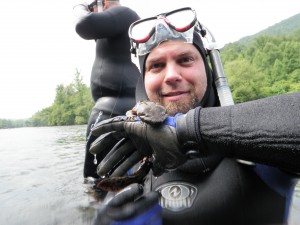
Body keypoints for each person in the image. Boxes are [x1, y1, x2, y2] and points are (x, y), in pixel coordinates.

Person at [90, 7, 300, 225]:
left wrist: (188, 131)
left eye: (185, 60)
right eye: (157, 66)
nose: (171, 75)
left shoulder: (259, 138)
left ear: (208, 70)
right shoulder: (132, 160)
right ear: (143, 81)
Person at [73, 0, 141, 178]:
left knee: (94, 177)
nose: (91, 11)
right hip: (117, 105)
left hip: (111, 107)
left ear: (102, 3)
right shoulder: (117, 27)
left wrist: (79, 8)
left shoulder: (123, 13)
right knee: (116, 174)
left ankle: (98, 203)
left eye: (92, 7)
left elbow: (84, 24)